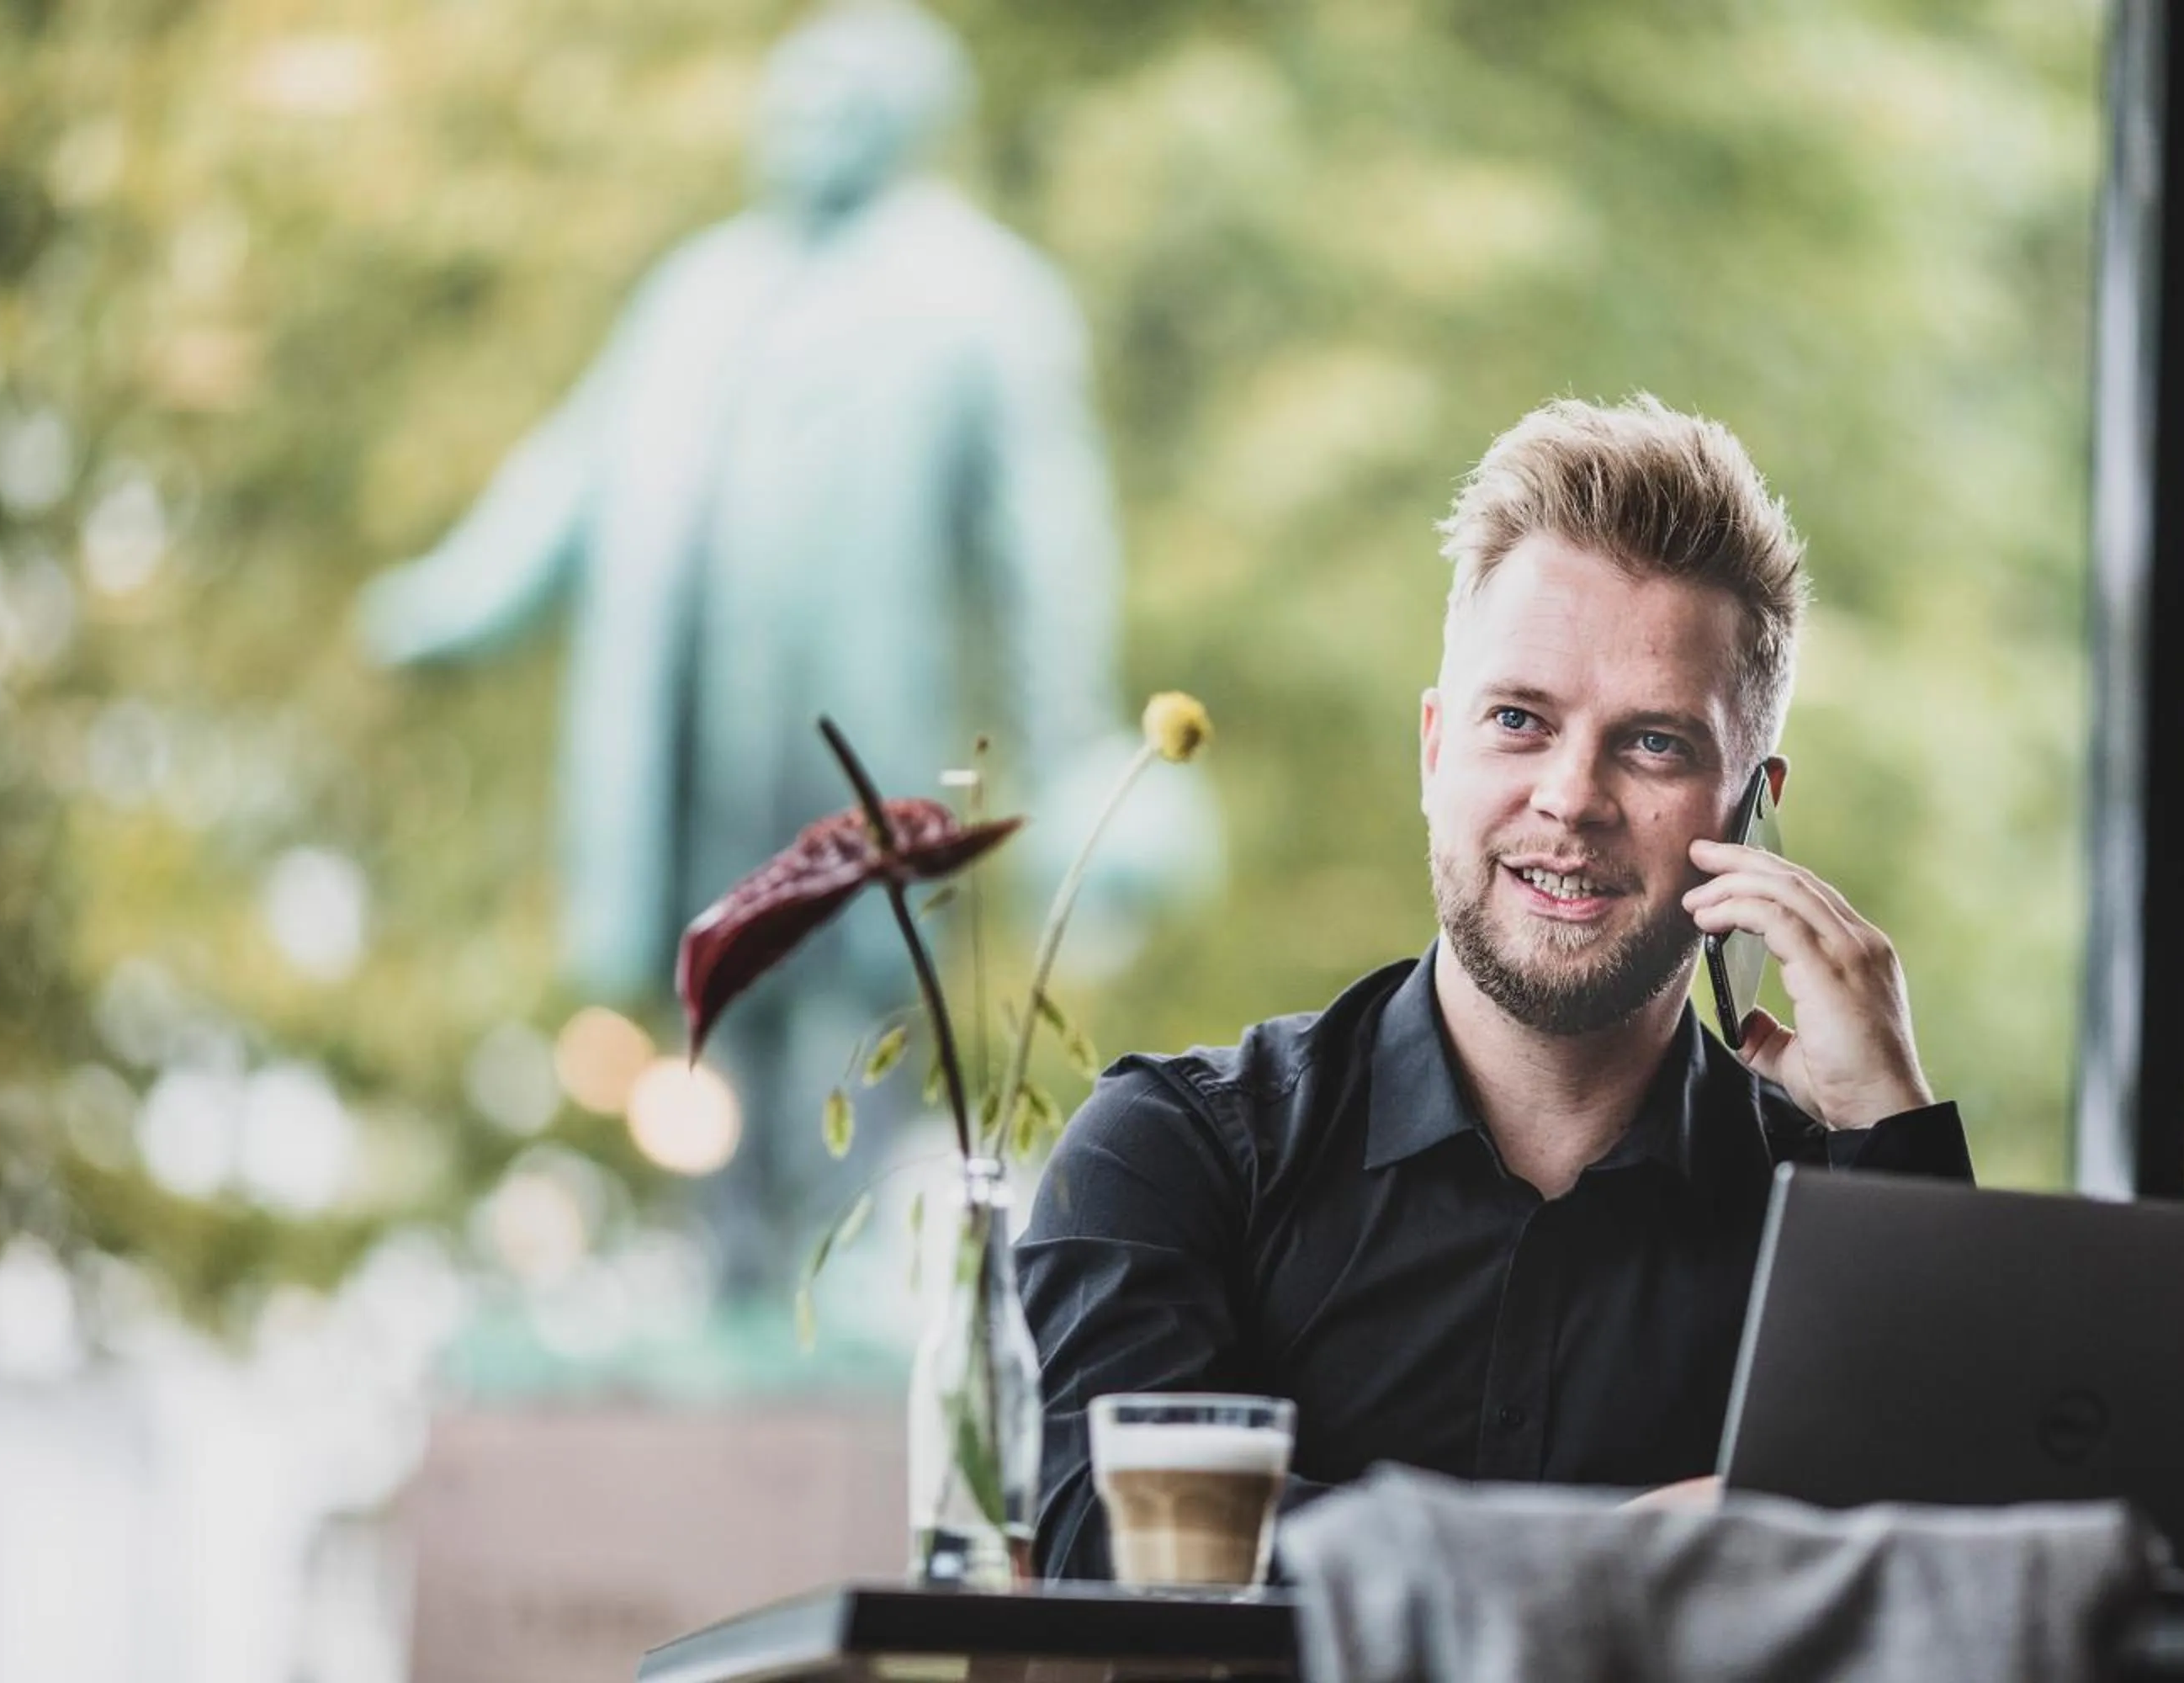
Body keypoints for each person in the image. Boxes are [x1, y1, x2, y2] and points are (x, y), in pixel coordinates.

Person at [1016, 395, 1973, 1579]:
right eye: (1519, 719)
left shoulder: (1829, 1219)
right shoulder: (1177, 1156)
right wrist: (1622, 1563)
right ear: (1435, 751)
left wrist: (1894, 1127)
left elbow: (1969, 1585)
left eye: (1656, 744)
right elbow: (1119, 1555)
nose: (1571, 798)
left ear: (1751, 809)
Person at [358, 0, 1207, 1291]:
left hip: (864, 727)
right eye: (793, 100)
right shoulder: (702, 290)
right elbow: (573, 473)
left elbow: (1046, 553)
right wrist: (454, 599)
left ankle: (829, 1258)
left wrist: (1072, 738)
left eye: (842, 103)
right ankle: (729, 1264)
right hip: (698, 726)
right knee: (716, 984)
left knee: (845, 988)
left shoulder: (978, 296)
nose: (805, 125)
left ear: (908, 124)